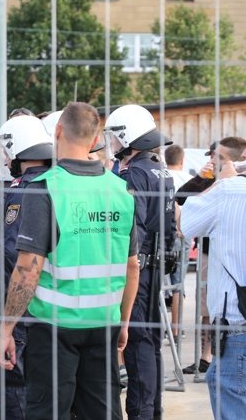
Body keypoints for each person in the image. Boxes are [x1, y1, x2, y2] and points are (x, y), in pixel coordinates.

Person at [0, 102, 139, 420]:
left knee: (47, 411)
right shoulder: (120, 191)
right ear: (95, 138)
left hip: (54, 328)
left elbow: (27, 268)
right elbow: (132, 266)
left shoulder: (45, 188)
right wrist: (123, 321)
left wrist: (6, 330)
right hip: (104, 323)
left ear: (57, 132)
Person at [105, 104, 177, 420]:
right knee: (152, 344)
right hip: (157, 267)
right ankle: (154, 411)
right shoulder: (161, 171)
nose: (112, 144)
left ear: (128, 138)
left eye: (115, 138)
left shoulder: (134, 174)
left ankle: (141, 413)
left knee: (137, 346)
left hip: (140, 271)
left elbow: (133, 227)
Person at [0, 115, 54, 420]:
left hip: (22, 304)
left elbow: (13, 254)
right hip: (55, 302)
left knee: (13, 379)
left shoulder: (25, 190)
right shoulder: (57, 183)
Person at [180, 157, 246, 420]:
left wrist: (220, 182)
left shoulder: (230, 190)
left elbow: (184, 223)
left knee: (231, 398)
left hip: (237, 328)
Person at [164, 144, 193, 339]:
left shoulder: (163, 177)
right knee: (178, 283)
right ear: (182, 161)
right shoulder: (189, 179)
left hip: (166, 233)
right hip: (184, 232)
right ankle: (176, 328)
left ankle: (169, 327)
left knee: (165, 282)